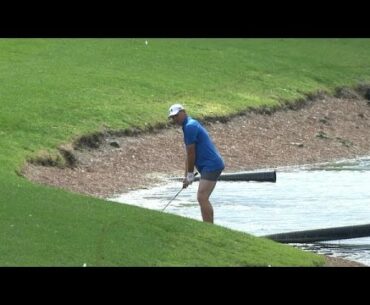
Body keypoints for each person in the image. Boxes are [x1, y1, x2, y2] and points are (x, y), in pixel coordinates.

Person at [168, 103, 225, 223]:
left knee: (202, 197)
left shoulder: (190, 126)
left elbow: (191, 154)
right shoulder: (188, 125)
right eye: (172, 117)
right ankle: (208, 225)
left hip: (211, 165)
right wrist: (186, 176)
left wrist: (190, 175)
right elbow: (188, 154)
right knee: (202, 197)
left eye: (176, 116)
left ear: (183, 112)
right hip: (207, 165)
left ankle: (208, 227)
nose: (174, 119)